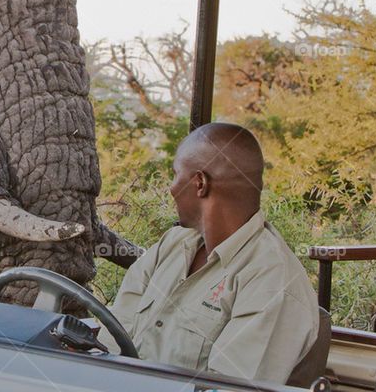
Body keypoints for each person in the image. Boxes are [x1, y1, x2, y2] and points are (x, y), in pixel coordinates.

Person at [97, 122, 319, 384]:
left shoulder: (272, 281)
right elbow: (110, 343)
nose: (171, 187)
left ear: (200, 183)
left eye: (176, 174)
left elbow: (227, 388)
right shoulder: (171, 245)